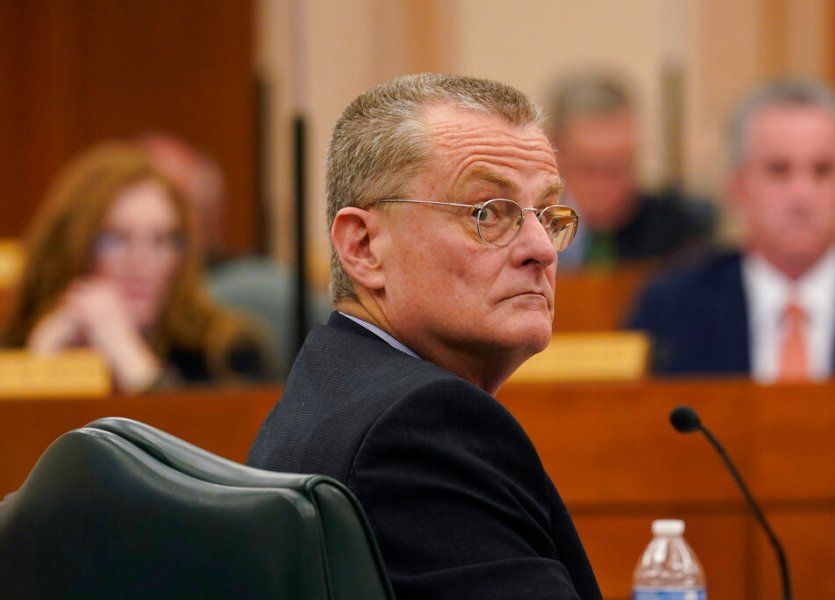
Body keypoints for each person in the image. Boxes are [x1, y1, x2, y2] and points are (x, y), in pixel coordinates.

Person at [248, 74, 602, 599]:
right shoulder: (422, 428)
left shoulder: (335, 388)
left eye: (548, 215)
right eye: (489, 212)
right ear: (364, 246)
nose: (542, 250)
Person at [626, 78, 835, 380]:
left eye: (823, 171)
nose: (801, 195)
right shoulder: (673, 308)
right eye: (778, 170)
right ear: (737, 187)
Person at [0, 142, 275, 393]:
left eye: (162, 240)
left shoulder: (226, 355)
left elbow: (203, 443)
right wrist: (40, 368)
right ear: (71, 247)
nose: (143, 260)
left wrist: (133, 363)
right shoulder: (15, 347)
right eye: (116, 239)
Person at [138, 131, 297, 374]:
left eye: (160, 238)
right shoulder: (79, 318)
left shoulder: (231, 322)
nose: (138, 257)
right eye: (114, 239)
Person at [546, 70, 715, 269]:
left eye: (617, 169)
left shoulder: (678, 231)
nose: (602, 187)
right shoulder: (529, 229)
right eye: (588, 170)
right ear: (555, 154)